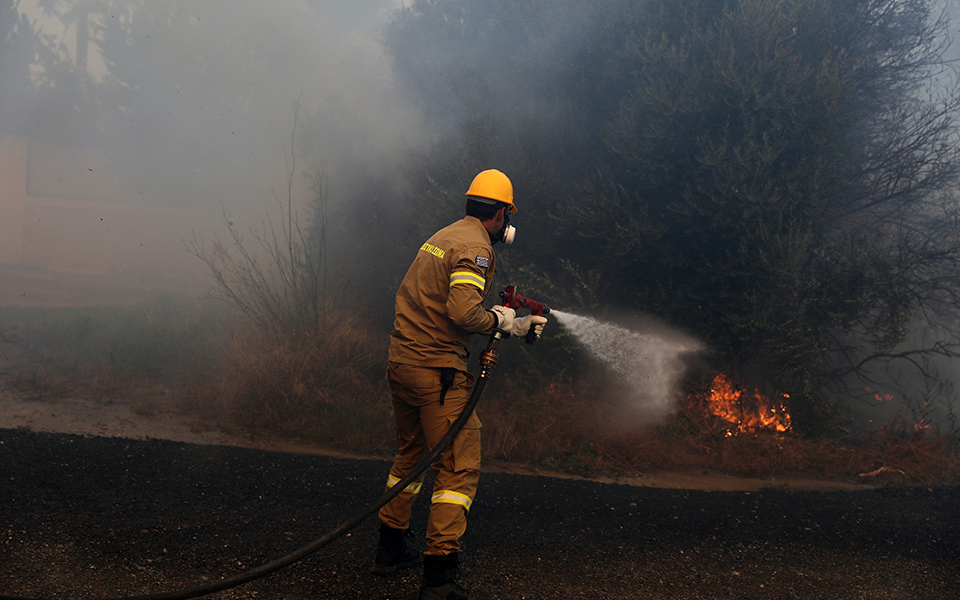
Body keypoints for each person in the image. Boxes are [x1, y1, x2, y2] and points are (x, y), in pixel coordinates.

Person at [371, 169, 548, 600]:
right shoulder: (476, 249)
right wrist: (504, 321)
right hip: (437, 374)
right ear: (501, 213)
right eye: (508, 214)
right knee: (457, 467)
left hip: (402, 363)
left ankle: (390, 549)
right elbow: (463, 312)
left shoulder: (444, 236)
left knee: (411, 454)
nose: (507, 223)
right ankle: (439, 579)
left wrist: (507, 322)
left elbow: (439, 301)